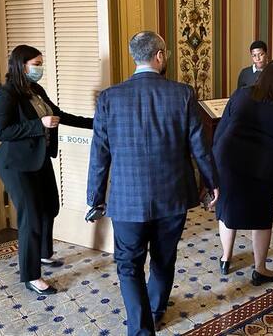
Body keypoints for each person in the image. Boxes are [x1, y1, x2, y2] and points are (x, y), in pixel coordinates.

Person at [86, 31, 219, 336]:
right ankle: (156, 311)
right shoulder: (182, 93)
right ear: (159, 56)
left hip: (126, 200)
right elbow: (200, 147)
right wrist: (212, 183)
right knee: (163, 259)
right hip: (172, 196)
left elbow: (99, 154)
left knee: (128, 265)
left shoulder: (109, 98)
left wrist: (95, 197)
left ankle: (141, 329)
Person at [0, 45, 93, 295]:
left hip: (38, 159)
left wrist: (96, 123)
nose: (40, 68)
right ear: (21, 65)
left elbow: (58, 116)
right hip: (16, 164)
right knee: (31, 217)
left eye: (41, 64)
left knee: (50, 206)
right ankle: (31, 276)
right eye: (36, 64)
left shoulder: (35, 90)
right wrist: (39, 124)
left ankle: (43, 253)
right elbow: (2, 132)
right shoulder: (6, 94)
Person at [213, 60, 273, 285]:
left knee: (227, 209)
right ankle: (260, 269)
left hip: (229, 160)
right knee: (261, 216)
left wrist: (214, 160)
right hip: (262, 167)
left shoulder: (241, 94)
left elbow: (222, 128)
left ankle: (225, 258)